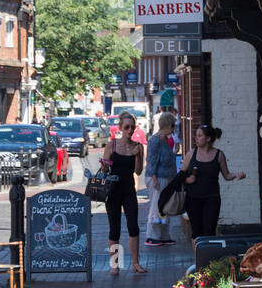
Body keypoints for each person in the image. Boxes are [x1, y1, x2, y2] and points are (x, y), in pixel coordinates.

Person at [182, 124, 246, 243]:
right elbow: (180, 175)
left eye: (200, 136)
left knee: (209, 231)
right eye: (196, 136)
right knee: (196, 232)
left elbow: (226, 175)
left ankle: (207, 260)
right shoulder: (191, 154)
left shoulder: (219, 155)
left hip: (212, 198)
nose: (196, 138)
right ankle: (198, 260)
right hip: (193, 198)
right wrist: (187, 179)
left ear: (208, 138)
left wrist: (236, 175)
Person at [101, 113, 147, 275]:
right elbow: (104, 170)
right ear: (120, 128)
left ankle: (135, 263)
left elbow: (138, 171)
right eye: (126, 127)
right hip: (113, 191)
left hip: (128, 190)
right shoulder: (111, 146)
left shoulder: (138, 146)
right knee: (115, 228)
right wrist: (104, 164)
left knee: (133, 226)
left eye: (132, 127)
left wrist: (137, 156)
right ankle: (115, 265)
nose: (129, 130)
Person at [144, 111, 178, 246]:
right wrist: (154, 179)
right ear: (167, 125)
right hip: (157, 178)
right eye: (173, 125)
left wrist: (174, 152)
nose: (174, 128)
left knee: (165, 207)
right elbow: (151, 161)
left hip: (167, 178)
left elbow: (166, 158)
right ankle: (152, 236)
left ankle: (164, 235)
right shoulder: (155, 140)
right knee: (156, 207)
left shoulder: (166, 140)